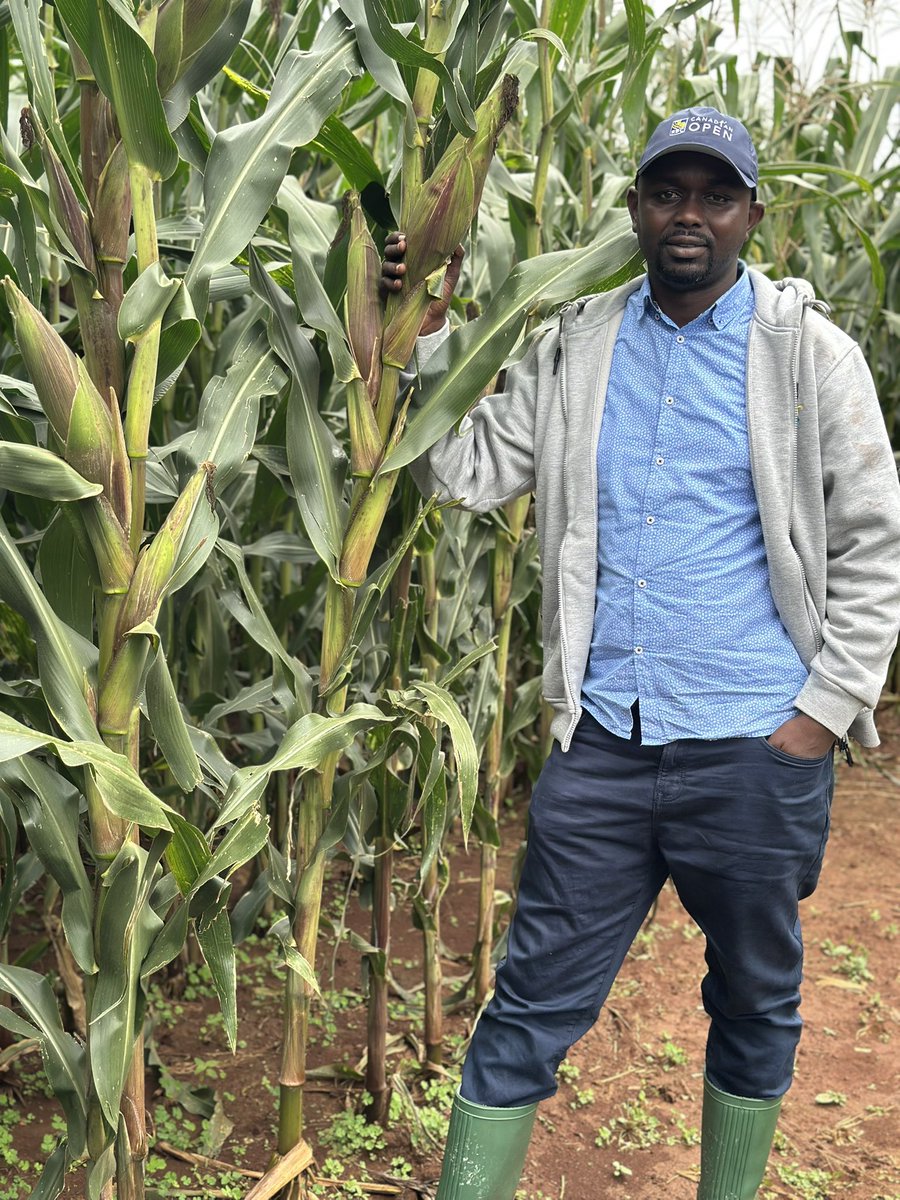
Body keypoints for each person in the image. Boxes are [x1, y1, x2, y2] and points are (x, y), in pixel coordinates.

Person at [382, 107, 900, 1200]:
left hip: (756, 747)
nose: (691, 216)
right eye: (670, 193)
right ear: (635, 207)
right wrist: (417, 328)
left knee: (756, 998)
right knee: (530, 1004)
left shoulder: (809, 356)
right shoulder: (577, 345)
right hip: (605, 744)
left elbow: (871, 544)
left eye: (717, 196)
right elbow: (465, 469)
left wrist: (819, 716)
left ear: (755, 213)